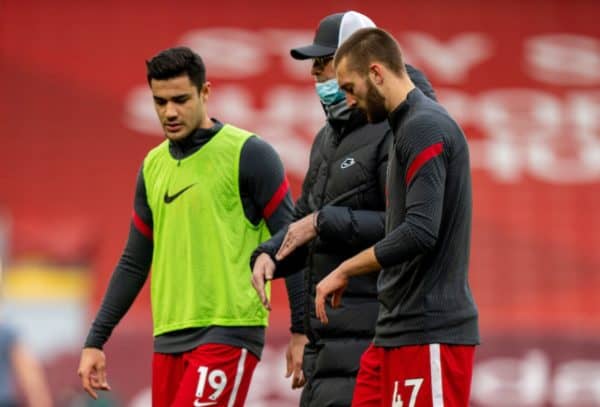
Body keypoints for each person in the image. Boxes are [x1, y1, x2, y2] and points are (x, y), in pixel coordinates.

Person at [77, 46, 294, 407]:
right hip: (169, 337)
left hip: (229, 329)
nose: (170, 112)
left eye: (180, 99)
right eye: (160, 102)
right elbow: (134, 261)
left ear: (205, 93)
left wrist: (301, 331)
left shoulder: (250, 154)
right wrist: (95, 341)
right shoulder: (152, 167)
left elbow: (291, 240)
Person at [250, 11, 437, 406]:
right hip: (327, 345)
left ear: (361, 60)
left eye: (324, 63)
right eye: (313, 66)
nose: (315, 75)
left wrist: (324, 223)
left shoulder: (400, 128)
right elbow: (305, 221)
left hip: (376, 334)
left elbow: (407, 228)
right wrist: (270, 255)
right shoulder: (326, 139)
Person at [315, 27, 480, 406]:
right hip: (394, 331)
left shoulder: (424, 126)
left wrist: (344, 269)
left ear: (376, 73)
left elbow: (421, 232)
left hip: (430, 331)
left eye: (349, 87)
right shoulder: (403, 126)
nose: (347, 99)